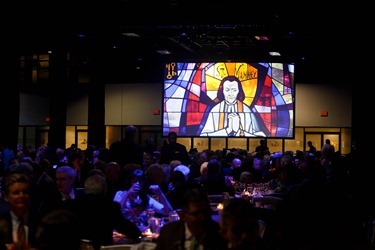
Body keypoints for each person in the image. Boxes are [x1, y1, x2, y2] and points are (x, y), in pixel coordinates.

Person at [62, 174, 142, 249]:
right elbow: (122, 226)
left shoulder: (70, 205)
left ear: (85, 189)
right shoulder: (110, 206)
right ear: (105, 189)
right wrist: (139, 235)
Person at [155, 188, 227, 250]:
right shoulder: (169, 233)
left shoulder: (219, 234)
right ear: (183, 216)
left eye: (205, 212)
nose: (202, 217)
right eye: (196, 214)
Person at [200, 76, 266, 137]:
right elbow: (203, 136)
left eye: (234, 90)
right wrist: (227, 130)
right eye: (227, 90)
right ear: (222, 91)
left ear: (238, 91)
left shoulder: (246, 110)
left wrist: (239, 131)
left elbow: (260, 136)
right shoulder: (216, 110)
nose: (230, 94)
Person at [0, 172, 39, 249]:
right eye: (16, 193)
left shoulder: (41, 222)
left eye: (25, 192)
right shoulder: (1, 223)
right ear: (6, 197)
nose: (21, 196)